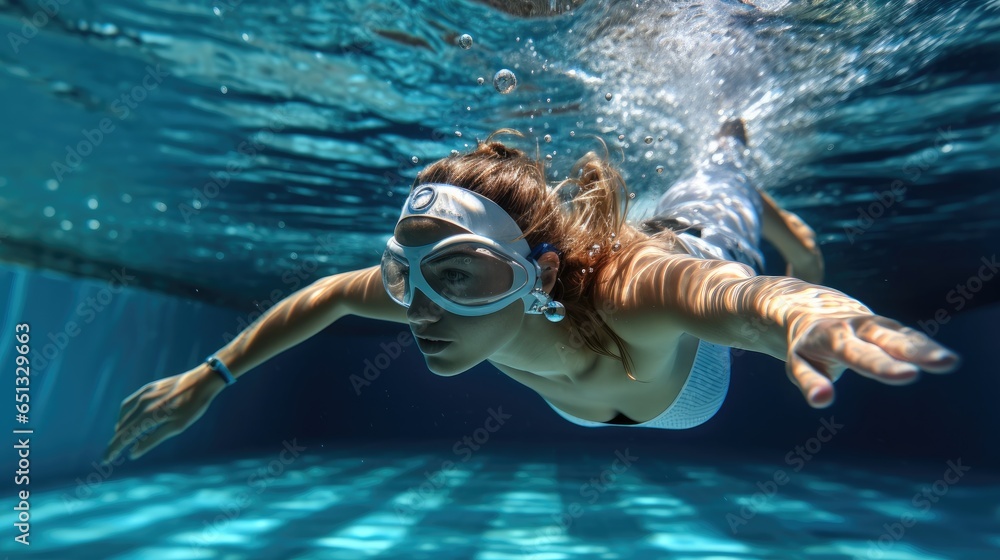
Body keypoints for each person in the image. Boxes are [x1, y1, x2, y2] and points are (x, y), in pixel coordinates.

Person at [103, 121, 958, 463]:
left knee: (714, 195)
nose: (421, 308)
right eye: (407, 271)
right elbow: (327, 295)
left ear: (536, 275)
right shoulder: (422, 288)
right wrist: (208, 377)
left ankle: (740, 165)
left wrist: (801, 304)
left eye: (456, 273)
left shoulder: (630, 289)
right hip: (618, 333)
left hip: (704, 249)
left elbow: (730, 296)